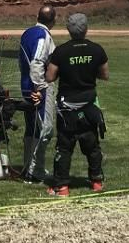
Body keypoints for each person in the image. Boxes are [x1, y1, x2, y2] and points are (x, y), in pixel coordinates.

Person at [45, 12, 109, 197]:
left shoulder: (61, 51)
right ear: (86, 29)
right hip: (89, 106)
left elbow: (50, 77)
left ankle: (62, 187)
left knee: (64, 147)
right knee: (92, 145)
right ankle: (96, 181)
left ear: (68, 30)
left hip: (67, 109)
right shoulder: (97, 50)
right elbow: (104, 75)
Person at [19, 5, 57, 184]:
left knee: (32, 128)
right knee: (45, 129)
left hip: (26, 85)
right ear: (53, 20)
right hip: (38, 88)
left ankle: (29, 167)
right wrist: (40, 89)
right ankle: (36, 170)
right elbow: (37, 63)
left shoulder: (27, 33)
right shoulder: (43, 36)